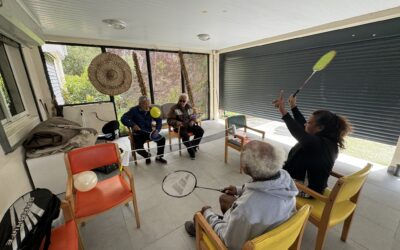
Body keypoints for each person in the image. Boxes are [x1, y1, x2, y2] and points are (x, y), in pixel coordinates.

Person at [185, 140, 298, 249]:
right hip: (270, 229)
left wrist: (208, 214)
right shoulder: (284, 176)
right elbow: (264, 187)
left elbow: (229, 242)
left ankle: (198, 229)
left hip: (244, 242)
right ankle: (229, 223)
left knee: (199, 215)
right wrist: (239, 190)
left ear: (246, 168)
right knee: (224, 198)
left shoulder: (246, 209)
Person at [272, 91, 352, 195]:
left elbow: (299, 132)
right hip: (303, 182)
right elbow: (303, 126)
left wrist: (283, 111)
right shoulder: (326, 140)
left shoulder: (319, 145)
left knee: (262, 178)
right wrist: (293, 106)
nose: (305, 124)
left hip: (306, 190)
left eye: (309, 122)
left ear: (320, 128)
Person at [121, 96, 167, 165]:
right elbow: (123, 118)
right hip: (138, 134)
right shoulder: (134, 110)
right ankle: (147, 156)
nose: (147, 106)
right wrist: (132, 125)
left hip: (149, 132)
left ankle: (159, 157)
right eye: (145, 104)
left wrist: (157, 130)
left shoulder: (151, 109)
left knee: (162, 140)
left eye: (148, 104)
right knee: (138, 148)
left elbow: (159, 120)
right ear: (140, 104)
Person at [167, 93, 204, 159]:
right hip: (180, 127)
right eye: (180, 100)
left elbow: (193, 116)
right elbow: (169, 120)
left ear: (186, 101)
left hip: (189, 125)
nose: (182, 102)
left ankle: (192, 146)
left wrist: (192, 121)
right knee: (185, 136)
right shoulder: (174, 108)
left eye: (184, 101)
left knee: (200, 131)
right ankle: (191, 151)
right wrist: (178, 122)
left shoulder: (188, 107)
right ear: (178, 100)